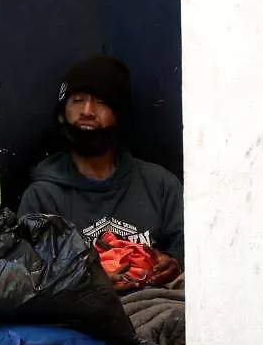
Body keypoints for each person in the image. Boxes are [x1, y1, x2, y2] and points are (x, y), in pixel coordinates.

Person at [18, 55, 184, 287]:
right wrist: (88, 284)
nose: (87, 111)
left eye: (102, 102)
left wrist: (173, 264)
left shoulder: (161, 186)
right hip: (78, 318)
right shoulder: (43, 196)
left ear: (120, 116)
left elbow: (194, 256)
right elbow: (32, 278)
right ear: (61, 114)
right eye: (77, 100)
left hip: (153, 306)